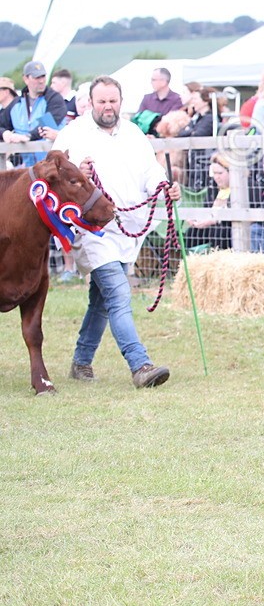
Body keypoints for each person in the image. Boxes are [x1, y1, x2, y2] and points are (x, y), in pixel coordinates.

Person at [51, 76, 179, 389]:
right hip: (92, 231)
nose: (108, 107)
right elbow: (54, 176)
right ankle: (140, 365)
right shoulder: (73, 134)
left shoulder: (133, 133)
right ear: (91, 102)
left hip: (128, 230)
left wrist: (163, 187)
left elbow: (151, 171)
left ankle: (81, 362)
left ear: (120, 102)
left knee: (102, 301)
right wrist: (78, 172)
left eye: (113, 101)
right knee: (119, 293)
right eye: (102, 101)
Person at [1, 61, 67, 166]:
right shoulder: (16, 104)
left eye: (43, 76)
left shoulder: (54, 99)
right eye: (37, 77)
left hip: (52, 166)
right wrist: (4, 133)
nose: (41, 81)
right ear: (26, 79)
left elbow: (47, 124)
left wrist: (28, 136)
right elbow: (1, 125)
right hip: (26, 168)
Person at [186, 153, 233, 251]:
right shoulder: (213, 188)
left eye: (220, 173)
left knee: (218, 231)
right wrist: (196, 219)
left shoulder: (241, 188)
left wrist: (212, 221)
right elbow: (207, 209)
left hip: (228, 227)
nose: (216, 177)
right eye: (214, 173)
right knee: (192, 232)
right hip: (211, 224)